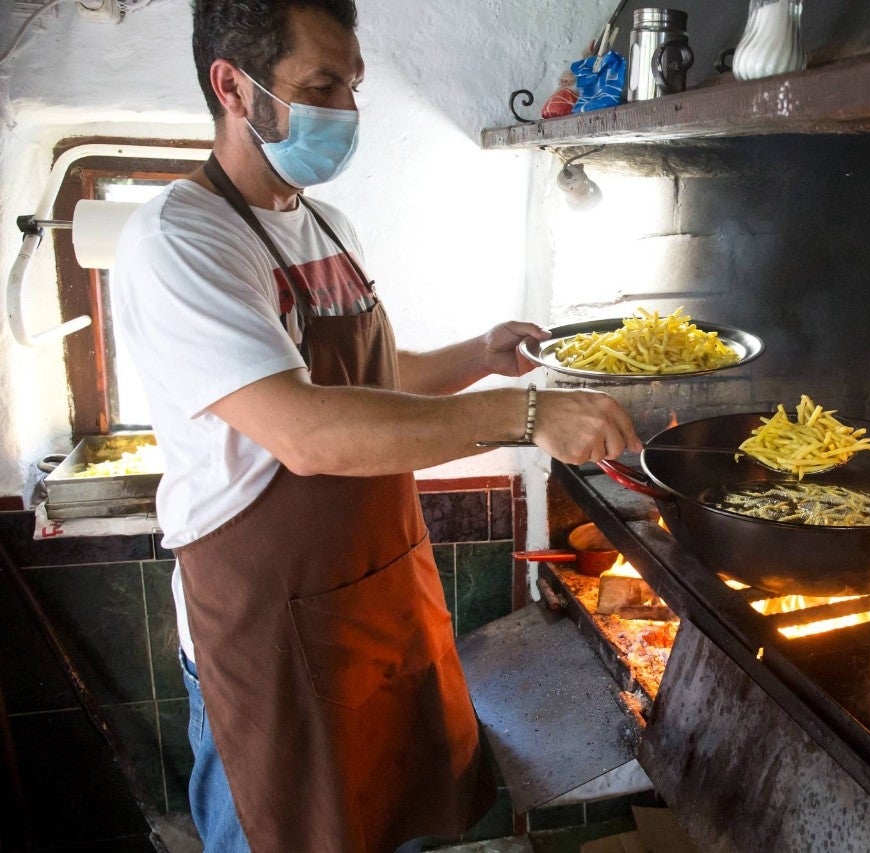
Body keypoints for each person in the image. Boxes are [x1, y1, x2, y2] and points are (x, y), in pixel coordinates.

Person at [112, 1, 642, 850]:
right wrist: (527, 415)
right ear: (232, 87)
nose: (347, 113)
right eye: (322, 86)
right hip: (271, 631)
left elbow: (372, 381)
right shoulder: (181, 239)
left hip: (372, 604)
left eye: (352, 87)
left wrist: (480, 354)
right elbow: (306, 429)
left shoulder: (326, 227)